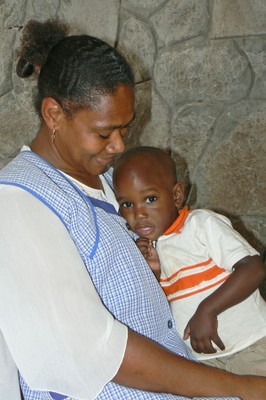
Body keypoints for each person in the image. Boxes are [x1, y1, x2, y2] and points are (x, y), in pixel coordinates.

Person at [0, 18, 265, 400]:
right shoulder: (18, 201)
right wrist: (242, 387)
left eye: (126, 128)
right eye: (105, 133)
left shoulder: (107, 183)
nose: (119, 146)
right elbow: (95, 350)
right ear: (54, 115)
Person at [112, 145, 266, 376]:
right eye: (127, 204)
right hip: (208, 362)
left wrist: (208, 310)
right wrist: (152, 271)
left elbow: (253, 268)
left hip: (252, 345)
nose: (138, 213)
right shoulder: (153, 247)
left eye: (150, 198)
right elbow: (163, 306)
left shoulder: (200, 225)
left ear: (176, 195)